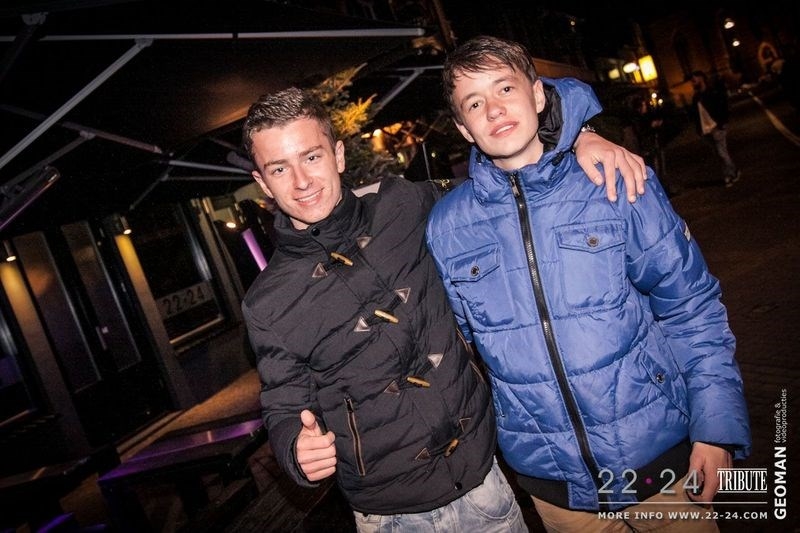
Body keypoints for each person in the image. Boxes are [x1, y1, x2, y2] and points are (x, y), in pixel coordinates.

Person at [240, 83, 645, 532]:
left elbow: (498, 176)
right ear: (262, 182)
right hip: (389, 515)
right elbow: (283, 402)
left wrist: (579, 135)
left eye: (311, 157)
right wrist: (294, 446)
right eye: (280, 168)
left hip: (483, 482)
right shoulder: (266, 303)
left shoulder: (403, 204)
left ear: (337, 155)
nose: (301, 182)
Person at [425, 36, 751, 532]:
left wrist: (716, 428)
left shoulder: (615, 179)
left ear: (538, 95)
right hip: (556, 491)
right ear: (463, 128)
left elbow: (692, 307)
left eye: (505, 88)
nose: (493, 110)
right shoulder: (448, 226)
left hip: (659, 466)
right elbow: (464, 347)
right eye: (474, 102)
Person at [689, 70, 741, 187]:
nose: (693, 82)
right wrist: (699, 130)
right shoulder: (696, 97)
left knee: (722, 153)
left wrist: (722, 123)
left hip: (716, 127)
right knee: (718, 154)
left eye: (694, 79)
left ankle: (730, 175)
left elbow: (723, 106)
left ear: (701, 78)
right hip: (705, 130)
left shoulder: (712, 92)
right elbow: (694, 115)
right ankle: (731, 173)